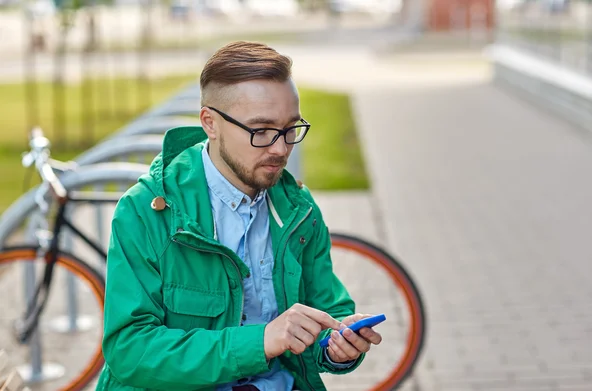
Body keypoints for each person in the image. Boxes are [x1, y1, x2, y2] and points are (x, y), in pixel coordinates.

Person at [96, 41, 382, 391]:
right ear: (210, 123)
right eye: (261, 131)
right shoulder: (146, 211)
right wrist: (260, 341)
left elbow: (327, 311)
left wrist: (337, 348)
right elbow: (131, 350)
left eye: (291, 128)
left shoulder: (299, 210)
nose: (281, 148)